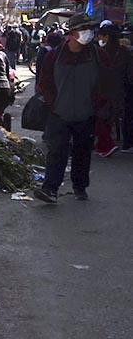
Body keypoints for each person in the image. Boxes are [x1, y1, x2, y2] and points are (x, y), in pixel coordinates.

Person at [34, 13, 115, 203]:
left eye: (90, 29)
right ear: (71, 33)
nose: (88, 33)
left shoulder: (98, 55)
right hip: (59, 113)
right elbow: (44, 82)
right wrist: (52, 102)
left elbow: (108, 82)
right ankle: (50, 189)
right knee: (57, 151)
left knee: (83, 152)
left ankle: (80, 187)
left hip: (87, 113)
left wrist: (100, 105)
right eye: (82, 29)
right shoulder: (54, 56)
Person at [94, 25, 127, 156]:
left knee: (99, 118)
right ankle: (103, 145)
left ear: (106, 37)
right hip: (119, 91)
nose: (98, 39)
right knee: (106, 118)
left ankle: (106, 145)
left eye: (100, 36)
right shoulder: (124, 51)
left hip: (103, 91)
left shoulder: (100, 53)